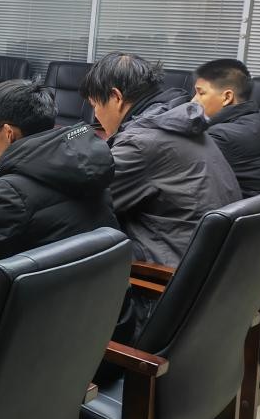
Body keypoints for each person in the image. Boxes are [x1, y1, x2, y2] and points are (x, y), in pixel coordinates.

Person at [0, 80, 118, 301]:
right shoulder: (87, 165)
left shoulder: (10, 192)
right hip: (95, 304)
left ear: (8, 133)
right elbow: (41, 215)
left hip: (33, 311)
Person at [80, 52, 241, 267]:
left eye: (94, 105)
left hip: (166, 272)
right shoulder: (179, 121)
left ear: (116, 97)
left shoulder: (141, 142)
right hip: (210, 262)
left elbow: (89, 203)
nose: (96, 116)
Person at [192, 58, 260, 196]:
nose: (193, 100)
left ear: (227, 97)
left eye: (201, 93)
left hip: (237, 207)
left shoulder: (220, 135)